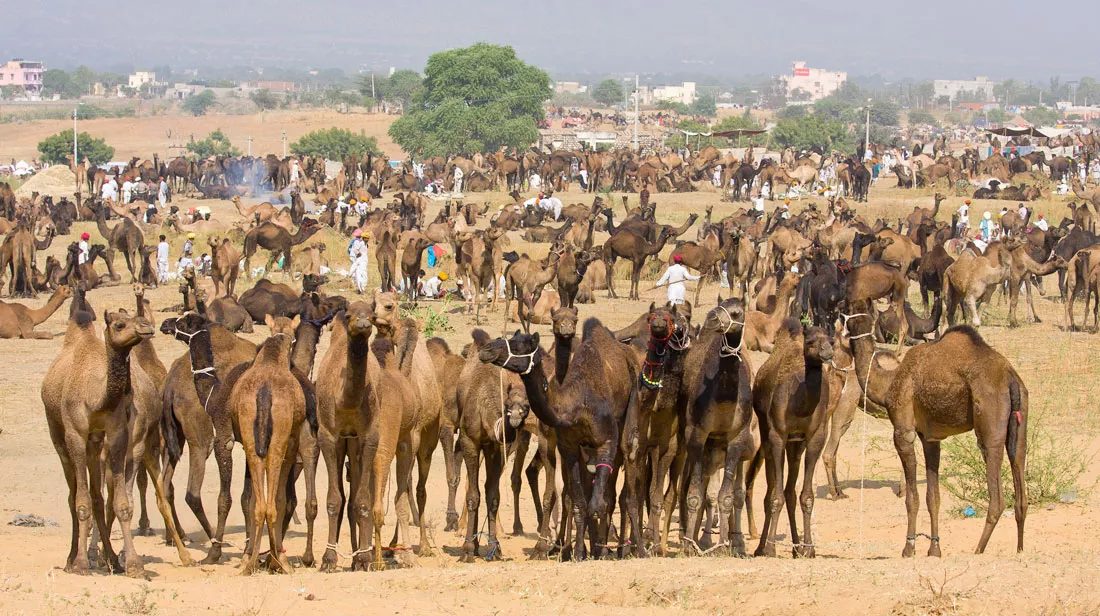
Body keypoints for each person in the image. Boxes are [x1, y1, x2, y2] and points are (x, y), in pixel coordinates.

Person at [348, 228, 369, 294]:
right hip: (360, 262)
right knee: (359, 275)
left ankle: (363, 288)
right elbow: (355, 249)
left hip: (364, 262)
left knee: (365, 276)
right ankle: (361, 289)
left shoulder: (365, 244)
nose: (367, 239)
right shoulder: (360, 243)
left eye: (368, 238)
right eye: (366, 238)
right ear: (363, 238)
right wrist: (358, 253)